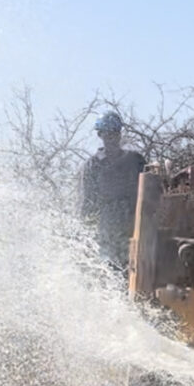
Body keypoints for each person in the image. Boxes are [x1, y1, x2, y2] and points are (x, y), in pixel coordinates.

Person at [79, 111, 146, 269]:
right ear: (100, 135)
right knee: (110, 268)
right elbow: (88, 200)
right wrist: (85, 226)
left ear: (119, 134)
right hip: (108, 224)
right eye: (107, 134)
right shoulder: (93, 165)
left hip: (136, 221)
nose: (111, 137)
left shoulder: (135, 160)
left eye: (114, 133)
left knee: (139, 267)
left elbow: (152, 188)